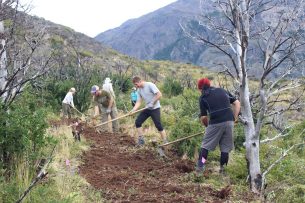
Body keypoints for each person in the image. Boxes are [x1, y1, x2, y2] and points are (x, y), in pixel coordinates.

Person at [196, 78, 240, 175]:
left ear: (200, 88)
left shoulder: (203, 98)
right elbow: (237, 103)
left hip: (215, 122)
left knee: (205, 146)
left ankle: (200, 168)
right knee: (225, 148)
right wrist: (234, 119)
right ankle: (223, 171)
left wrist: (208, 127)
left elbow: (203, 117)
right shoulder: (222, 90)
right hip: (229, 121)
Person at [130, 76, 167, 146]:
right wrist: (133, 110)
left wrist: (152, 103)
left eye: (136, 84)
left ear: (140, 81)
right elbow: (138, 102)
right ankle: (141, 140)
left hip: (155, 108)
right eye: (135, 85)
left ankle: (165, 141)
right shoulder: (139, 90)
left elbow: (159, 94)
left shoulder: (150, 85)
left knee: (158, 125)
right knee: (138, 122)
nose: (136, 86)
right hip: (147, 108)